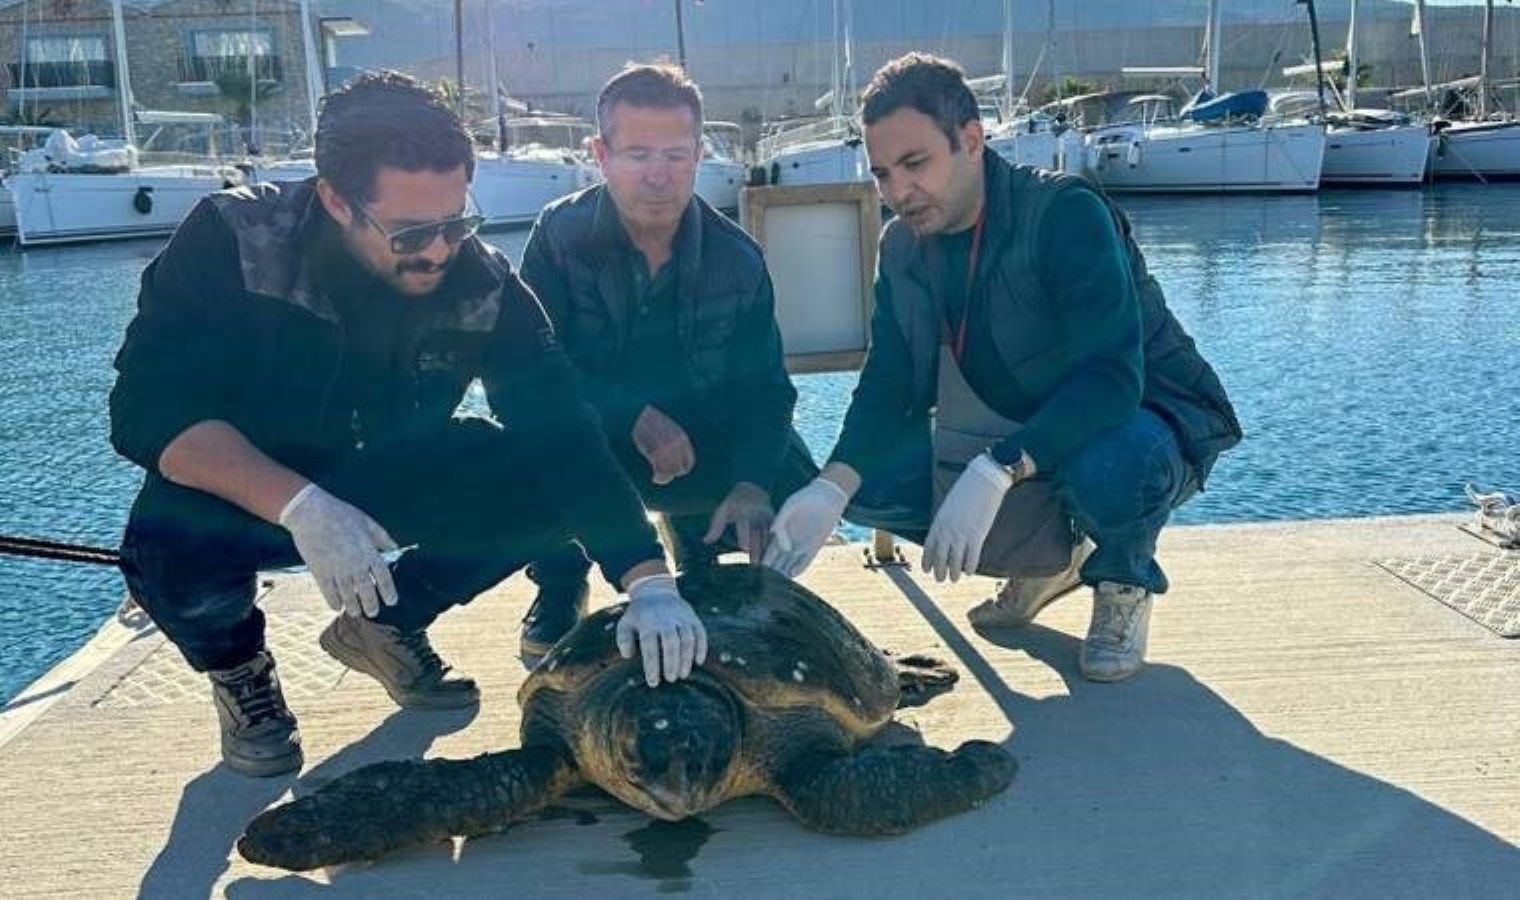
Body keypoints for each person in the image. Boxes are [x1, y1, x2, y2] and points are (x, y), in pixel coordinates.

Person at [109, 72, 706, 779]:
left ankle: (386, 625)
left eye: (457, 221)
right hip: (246, 488)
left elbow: (563, 433)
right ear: (336, 199)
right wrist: (301, 507)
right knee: (163, 549)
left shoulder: (480, 280)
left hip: (387, 470)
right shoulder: (231, 241)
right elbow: (147, 409)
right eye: (413, 232)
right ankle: (240, 670)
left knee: (552, 470)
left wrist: (648, 582)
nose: (439, 250)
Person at [764, 54, 1241, 682]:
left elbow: (1113, 379)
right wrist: (832, 485)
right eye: (881, 173)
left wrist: (996, 470)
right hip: (1024, 424)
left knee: (1116, 468)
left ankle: (1121, 577)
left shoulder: (1065, 214)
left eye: (915, 164)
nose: (897, 192)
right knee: (869, 486)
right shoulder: (904, 247)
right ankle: (1051, 563)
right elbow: (890, 387)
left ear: (970, 141)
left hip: (1145, 418)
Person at [516, 63, 816, 663]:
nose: (659, 175)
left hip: (700, 437)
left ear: (701, 153)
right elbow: (530, 369)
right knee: (526, 447)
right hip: (597, 436)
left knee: (794, 488)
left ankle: (704, 558)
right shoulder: (557, 235)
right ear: (600, 154)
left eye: (677, 155)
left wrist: (754, 485)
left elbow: (766, 390)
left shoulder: (738, 258)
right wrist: (632, 414)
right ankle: (560, 578)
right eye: (637, 155)